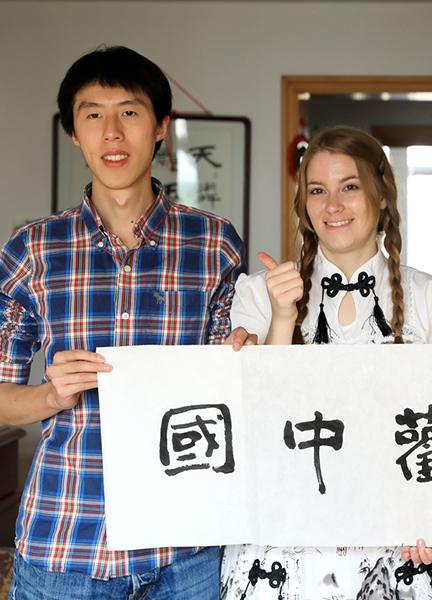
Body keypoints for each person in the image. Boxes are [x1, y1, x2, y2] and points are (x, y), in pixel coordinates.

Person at [0, 46, 243, 599]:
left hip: (187, 545)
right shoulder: (32, 249)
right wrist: (49, 397)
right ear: (74, 133)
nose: (112, 132)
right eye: (93, 115)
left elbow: (227, 385)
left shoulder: (214, 243)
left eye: (130, 112)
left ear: (160, 127)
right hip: (66, 539)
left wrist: (241, 353)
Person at [220, 126, 432, 600]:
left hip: (398, 546)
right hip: (282, 544)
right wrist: (283, 316)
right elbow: (254, 421)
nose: (333, 205)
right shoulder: (257, 292)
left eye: (349, 187)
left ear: (382, 195)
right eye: (317, 190)